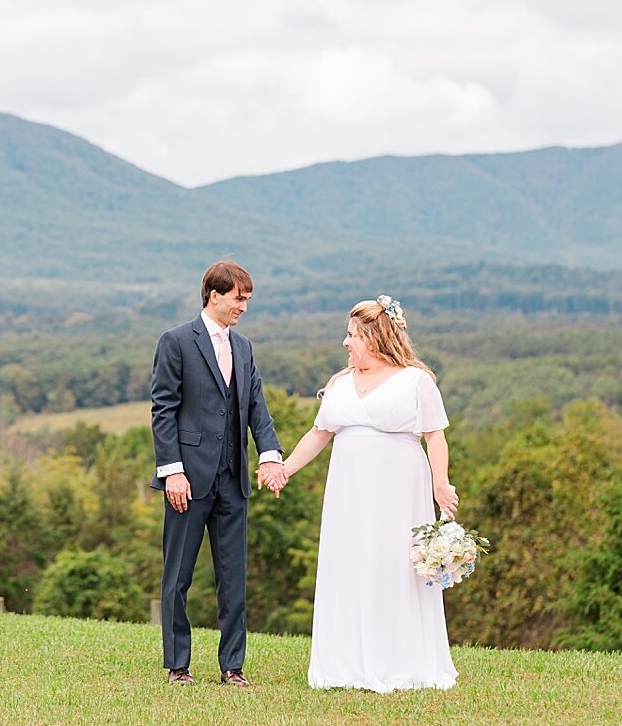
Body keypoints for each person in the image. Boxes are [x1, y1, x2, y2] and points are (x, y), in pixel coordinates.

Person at [274, 295, 459, 692]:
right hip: (348, 492)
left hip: (398, 491)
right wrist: (286, 468)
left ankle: (400, 663)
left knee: (392, 565)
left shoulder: (416, 381)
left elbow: (435, 436)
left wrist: (441, 484)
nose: (346, 342)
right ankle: (346, 664)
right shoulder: (339, 384)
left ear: (375, 338)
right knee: (350, 563)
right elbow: (319, 433)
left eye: (353, 334)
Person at [150, 260, 288, 687]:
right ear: (215, 295)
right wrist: (172, 471)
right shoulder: (175, 341)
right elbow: (163, 409)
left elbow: (256, 407)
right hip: (187, 480)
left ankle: (233, 667)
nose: (244, 307)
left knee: (233, 578)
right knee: (178, 577)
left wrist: (270, 454)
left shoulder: (243, 347)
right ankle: (178, 667)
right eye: (239, 298)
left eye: (246, 299)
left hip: (234, 479)